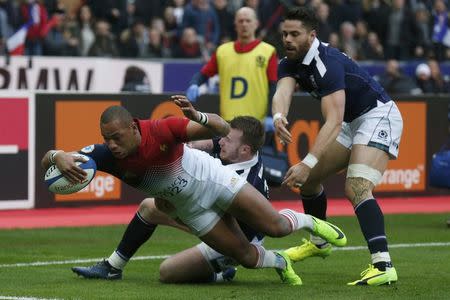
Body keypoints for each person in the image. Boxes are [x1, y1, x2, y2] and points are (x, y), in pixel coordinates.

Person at [42, 96, 347, 286]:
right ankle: (281, 261)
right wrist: (57, 155)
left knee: (276, 226)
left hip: (212, 179)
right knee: (246, 258)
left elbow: (223, 128)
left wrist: (197, 116)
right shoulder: (105, 155)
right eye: (106, 138)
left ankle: (311, 223)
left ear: (134, 128)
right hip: (192, 209)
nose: (111, 145)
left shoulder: (161, 130)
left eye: (117, 137)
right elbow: (49, 165)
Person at [272, 7, 402, 286]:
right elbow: (283, 91)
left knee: (356, 187)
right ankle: (320, 242)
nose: (288, 39)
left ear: (312, 35)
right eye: (285, 33)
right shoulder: (289, 61)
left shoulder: (325, 62)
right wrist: (278, 116)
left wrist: (307, 162)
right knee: (308, 184)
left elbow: (333, 121)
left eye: (295, 34)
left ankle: (383, 265)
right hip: (350, 122)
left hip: (377, 115)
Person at [72, 116, 269, 283]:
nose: (221, 141)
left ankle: (224, 271)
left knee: (168, 272)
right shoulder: (240, 151)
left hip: (239, 239)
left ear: (245, 150)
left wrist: (177, 210)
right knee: (149, 207)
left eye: (227, 139)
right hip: (215, 214)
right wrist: (178, 144)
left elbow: (220, 219)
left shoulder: (248, 183)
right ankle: (113, 267)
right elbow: (201, 143)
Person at [186, 6, 277, 130]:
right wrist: (194, 84)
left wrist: (271, 115)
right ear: (235, 24)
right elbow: (203, 74)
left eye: (248, 21)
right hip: (228, 122)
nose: (244, 24)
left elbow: (273, 87)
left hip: (256, 123)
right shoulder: (223, 51)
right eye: (240, 21)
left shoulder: (268, 51)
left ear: (256, 24)